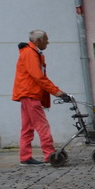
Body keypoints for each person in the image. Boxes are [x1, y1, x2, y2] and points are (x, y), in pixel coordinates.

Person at [11, 29, 68, 165]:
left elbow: (40, 76)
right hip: (30, 94)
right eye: (46, 39)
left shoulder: (33, 53)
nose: (48, 42)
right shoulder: (31, 53)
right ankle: (49, 155)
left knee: (27, 127)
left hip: (27, 94)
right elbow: (39, 77)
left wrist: (56, 90)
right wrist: (57, 92)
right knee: (42, 126)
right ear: (38, 41)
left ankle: (25, 157)